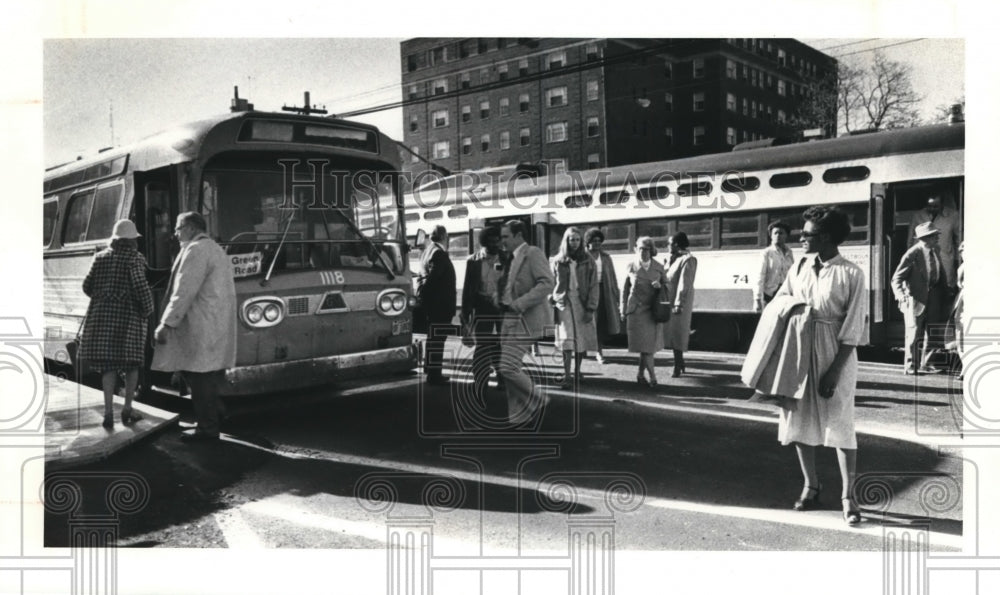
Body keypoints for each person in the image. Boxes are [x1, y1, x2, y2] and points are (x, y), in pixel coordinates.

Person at [775, 205, 868, 526]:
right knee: (798, 418)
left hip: (834, 352)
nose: (799, 238)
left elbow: (854, 328)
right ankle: (810, 486)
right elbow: (779, 302)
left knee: (840, 424)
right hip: (799, 350)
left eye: (807, 234)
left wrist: (834, 370)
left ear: (826, 237)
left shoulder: (852, 274)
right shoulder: (797, 267)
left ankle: (849, 496)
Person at [152, 212, 237, 442]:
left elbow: (183, 292)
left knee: (199, 376)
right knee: (201, 374)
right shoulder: (215, 249)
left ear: (189, 228)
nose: (175, 233)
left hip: (200, 325)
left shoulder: (195, 251)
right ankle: (214, 414)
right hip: (212, 323)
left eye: (178, 229)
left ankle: (207, 429)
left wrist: (166, 323)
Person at [79, 219, 155, 430]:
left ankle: (108, 412)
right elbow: (140, 287)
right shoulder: (134, 258)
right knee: (132, 365)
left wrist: (103, 298)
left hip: (102, 320)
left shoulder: (100, 257)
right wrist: (148, 309)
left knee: (108, 367)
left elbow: (86, 286)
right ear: (132, 240)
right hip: (128, 321)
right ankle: (128, 408)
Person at [496, 219, 554, 425]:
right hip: (509, 317)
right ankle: (518, 416)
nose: (502, 241)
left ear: (519, 235)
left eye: (506, 237)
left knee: (507, 367)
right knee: (512, 368)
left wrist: (520, 303)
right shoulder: (511, 257)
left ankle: (537, 399)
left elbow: (548, 283)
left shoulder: (533, 253)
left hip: (526, 317)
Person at [892, 222, 947, 375]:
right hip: (916, 298)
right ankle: (911, 366)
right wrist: (900, 295)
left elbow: (939, 271)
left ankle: (927, 363)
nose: (937, 237)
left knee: (932, 332)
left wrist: (946, 290)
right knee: (914, 332)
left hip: (934, 295)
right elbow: (896, 278)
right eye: (934, 235)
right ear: (925, 238)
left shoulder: (935, 249)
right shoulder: (912, 253)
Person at [550, 227, 599, 388]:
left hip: (581, 302)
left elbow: (593, 285)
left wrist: (591, 307)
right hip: (564, 303)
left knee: (580, 340)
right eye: (572, 239)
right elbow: (550, 282)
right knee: (567, 341)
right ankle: (567, 375)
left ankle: (577, 371)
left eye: (577, 239)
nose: (575, 243)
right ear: (566, 240)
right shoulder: (558, 260)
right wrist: (552, 298)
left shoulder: (588, 259)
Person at [461, 226, 504, 393]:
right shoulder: (473, 261)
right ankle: (481, 380)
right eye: (491, 242)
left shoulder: (507, 258)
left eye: (497, 241)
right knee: (483, 346)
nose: (495, 245)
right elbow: (467, 290)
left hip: (502, 308)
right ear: (484, 243)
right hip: (483, 307)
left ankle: (503, 379)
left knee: (502, 345)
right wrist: (465, 316)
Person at [620, 236, 666, 387]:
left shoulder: (659, 267)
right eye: (640, 249)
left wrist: (660, 286)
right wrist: (622, 309)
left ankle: (640, 375)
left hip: (653, 311)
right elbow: (624, 290)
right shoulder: (630, 266)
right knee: (645, 347)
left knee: (647, 347)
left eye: (646, 249)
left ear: (651, 251)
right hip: (636, 311)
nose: (643, 252)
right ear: (636, 249)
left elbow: (668, 287)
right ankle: (653, 378)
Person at [415, 224, 457, 385]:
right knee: (438, 339)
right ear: (445, 236)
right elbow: (433, 279)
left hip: (434, 304)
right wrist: (428, 296)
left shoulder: (428, 251)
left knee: (433, 337)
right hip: (440, 304)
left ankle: (430, 369)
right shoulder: (439, 254)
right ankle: (434, 374)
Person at [908, 195, 961, 297]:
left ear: (942, 205)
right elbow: (910, 239)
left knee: (946, 290)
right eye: (929, 206)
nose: (932, 209)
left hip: (945, 258)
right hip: (922, 258)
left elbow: (958, 239)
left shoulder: (953, 216)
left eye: (935, 206)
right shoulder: (917, 215)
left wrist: (957, 259)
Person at [662, 232, 698, 378]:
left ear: (676, 244)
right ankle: (680, 362)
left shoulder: (688, 260)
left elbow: (685, 283)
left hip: (679, 302)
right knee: (672, 333)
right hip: (670, 300)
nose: (667, 246)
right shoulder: (673, 259)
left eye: (669, 243)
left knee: (678, 333)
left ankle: (677, 365)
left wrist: (679, 303)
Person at [584, 227, 621, 364]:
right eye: (594, 241)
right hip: (587, 294)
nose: (597, 243)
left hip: (604, 291)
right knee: (588, 323)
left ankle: (599, 352)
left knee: (601, 324)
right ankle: (583, 351)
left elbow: (612, 277)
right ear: (588, 242)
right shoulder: (583, 257)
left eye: (599, 240)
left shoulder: (606, 257)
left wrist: (616, 295)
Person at [755, 221, 794, 312]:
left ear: (786, 235)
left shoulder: (789, 253)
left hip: (785, 294)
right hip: (770, 295)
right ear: (771, 236)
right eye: (775, 233)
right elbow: (760, 276)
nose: (778, 235)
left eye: (781, 233)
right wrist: (757, 299)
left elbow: (792, 274)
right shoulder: (767, 253)